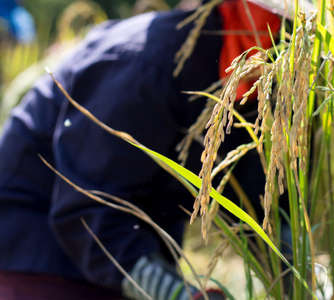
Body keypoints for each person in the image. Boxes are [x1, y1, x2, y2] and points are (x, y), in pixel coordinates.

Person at [0, 0, 288, 299]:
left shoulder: (263, 85)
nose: (283, 27)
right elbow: (88, 208)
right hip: (40, 256)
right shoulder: (144, 62)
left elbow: (263, 210)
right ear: (236, 6)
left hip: (114, 257)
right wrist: (176, 294)